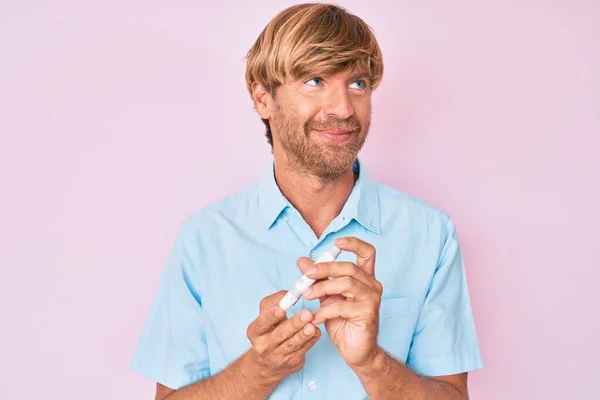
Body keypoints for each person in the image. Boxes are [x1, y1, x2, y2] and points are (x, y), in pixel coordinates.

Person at [131, 3, 483, 399]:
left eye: (358, 84)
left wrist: (372, 362)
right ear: (263, 98)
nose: (343, 108)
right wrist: (259, 370)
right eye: (315, 80)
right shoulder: (203, 239)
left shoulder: (431, 235)